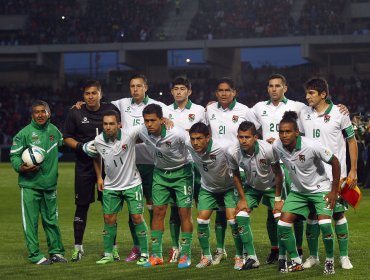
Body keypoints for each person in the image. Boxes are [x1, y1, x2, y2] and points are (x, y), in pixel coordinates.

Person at [299, 77, 358, 270]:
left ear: (323, 94)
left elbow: (351, 141)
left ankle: (344, 257)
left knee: (338, 214)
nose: (307, 97)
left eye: (311, 93)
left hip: (336, 176)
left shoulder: (340, 113)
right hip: (311, 177)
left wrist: (353, 169)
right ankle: (314, 256)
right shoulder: (303, 113)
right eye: (306, 93)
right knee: (312, 216)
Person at [110, 74, 170, 262]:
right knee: (134, 209)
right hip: (131, 165)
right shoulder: (121, 103)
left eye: (138, 86)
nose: (135, 89)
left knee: (154, 207)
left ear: (146, 87)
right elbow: (100, 107)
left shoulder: (157, 105)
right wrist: (81, 104)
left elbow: (170, 120)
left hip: (153, 164)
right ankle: (137, 247)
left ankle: (155, 246)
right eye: (132, 86)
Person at [273, 111, 340, 275]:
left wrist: (334, 191)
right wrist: (278, 197)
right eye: (281, 131)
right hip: (298, 192)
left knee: (324, 225)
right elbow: (276, 168)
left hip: (320, 190)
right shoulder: (277, 145)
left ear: (296, 132)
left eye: (288, 131)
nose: (283, 135)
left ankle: (329, 261)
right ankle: (296, 261)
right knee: (282, 225)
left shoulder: (311, 146)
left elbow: (335, 162)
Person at [64, 80, 120, 262]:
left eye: (94, 93)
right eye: (87, 93)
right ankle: (77, 247)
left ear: (101, 94)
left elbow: (120, 130)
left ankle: (112, 247)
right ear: (83, 95)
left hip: (109, 166)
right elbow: (67, 138)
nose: (90, 96)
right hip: (84, 166)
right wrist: (81, 147)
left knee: (109, 208)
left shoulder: (110, 110)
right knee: (82, 206)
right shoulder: (76, 112)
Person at [205, 77, 259, 264]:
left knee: (234, 213)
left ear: (235, 92)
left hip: (238, 168)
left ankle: (241, 252)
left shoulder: (245, 111)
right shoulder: (210, 109)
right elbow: (207, 134)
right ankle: (220, 250)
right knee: (219, 211)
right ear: (216, 93)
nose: (224, 94)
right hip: (215, 168)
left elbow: (255, 133)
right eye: (220, 90)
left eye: (228, 90)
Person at [253, 74, 305, 264]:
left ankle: (298, 249)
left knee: (296, 208)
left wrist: (336, 104)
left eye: (277, 86)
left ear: (285, 88)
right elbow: (245, 124)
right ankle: (275, 249)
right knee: (272, 210)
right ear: (267, 89)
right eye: (270, 86)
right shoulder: (259, 107)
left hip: (291, 164)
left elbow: (317, 110)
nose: (274, 89)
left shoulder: (297, 106)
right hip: (270, 165)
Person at [10, 100, 67, 265]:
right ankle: (35, 255)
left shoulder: (54, 131)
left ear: (49, 113)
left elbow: (64, 144)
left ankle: (56, 252)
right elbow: (14, 155)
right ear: (32, 115)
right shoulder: (24, 134)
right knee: (31, 222)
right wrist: (21, 167)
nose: (40, 114)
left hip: (50, 185)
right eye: (37, 112)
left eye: (43, 111)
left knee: (52, 221)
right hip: (30, 185)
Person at [139, 104, 193, 269]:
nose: (149, 124)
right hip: (160, 174)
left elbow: (195, 146)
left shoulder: (176, 133)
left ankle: (185, 255)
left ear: (162, 120)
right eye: (146, 120)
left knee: (184, 213)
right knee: (158, 212)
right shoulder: (142, 131)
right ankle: (156, 255)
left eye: (153, 120)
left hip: (182, 173)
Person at [186, 122, 247, 270]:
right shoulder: (189, 145)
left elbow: (243, 153)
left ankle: (240, 255)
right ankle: (206, 256)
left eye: (199, 138)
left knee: (233, 220)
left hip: (228, 187)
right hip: (208, 188)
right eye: (193, 139)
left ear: (208, 137)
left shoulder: (224, 147)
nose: (195, 142)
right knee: (201, 219)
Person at [93, 110, 149, 265]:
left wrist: (163, 119)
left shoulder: (129, 134)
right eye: (105, 124)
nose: (108, 127)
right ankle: (108, 254)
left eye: (111, 124)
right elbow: (96, 157)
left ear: (119, 124)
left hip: (132, 184)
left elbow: (148, 123)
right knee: (109, 219)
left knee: (137, 217)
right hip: (111, 186)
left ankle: (144, 252)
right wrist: (99, 177)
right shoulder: (98, 141)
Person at [166, 76, 207, 262]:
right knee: (176, 209)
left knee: (201, 209)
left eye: (182, 88)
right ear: (172, 91)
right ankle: (176, 247)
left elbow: (208, 133)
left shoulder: (199, 110)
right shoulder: (165, 111)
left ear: (189, 92)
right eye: (176, 89)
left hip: (197, 164)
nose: (179, 92)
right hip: (175, 165)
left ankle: (201, 248)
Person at [234, 121, 283, 270]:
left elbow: (279, 174)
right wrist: (242, 199)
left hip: (272, 186)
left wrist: (278, 200)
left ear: (255, 137)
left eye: (247, 137)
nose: (243, 140)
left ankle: (283, 256)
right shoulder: (233, 151)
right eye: (241, 137)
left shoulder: (267, 149)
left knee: (279, 218)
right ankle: (252, 258)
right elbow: (235, 175)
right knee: (241, 216)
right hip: (252, 187)